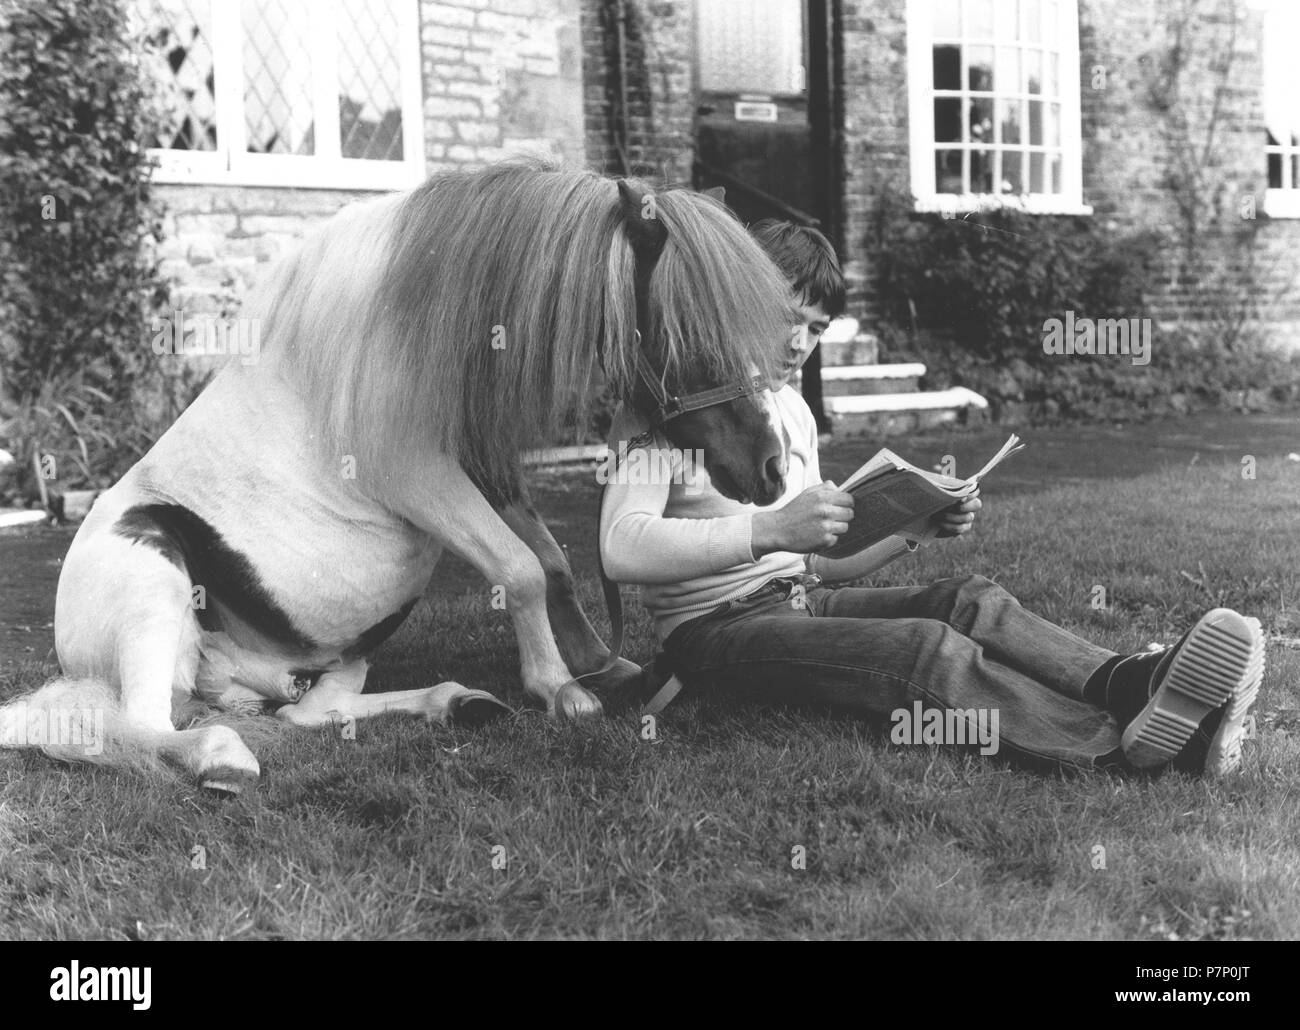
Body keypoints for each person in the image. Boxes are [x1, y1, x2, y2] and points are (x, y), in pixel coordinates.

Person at [598, 219, 1262, 775]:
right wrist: (768, 531)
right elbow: (620, 547)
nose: (799, 343)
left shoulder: (792, 412)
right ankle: (1107, 744)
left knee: (968, 598)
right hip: (711, 636)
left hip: (800, 600)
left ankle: (1128, 683)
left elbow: (818, 566)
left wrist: (915, 527)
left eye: (817, 328)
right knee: (922, 648)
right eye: (784, 319)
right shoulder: (669, 409)